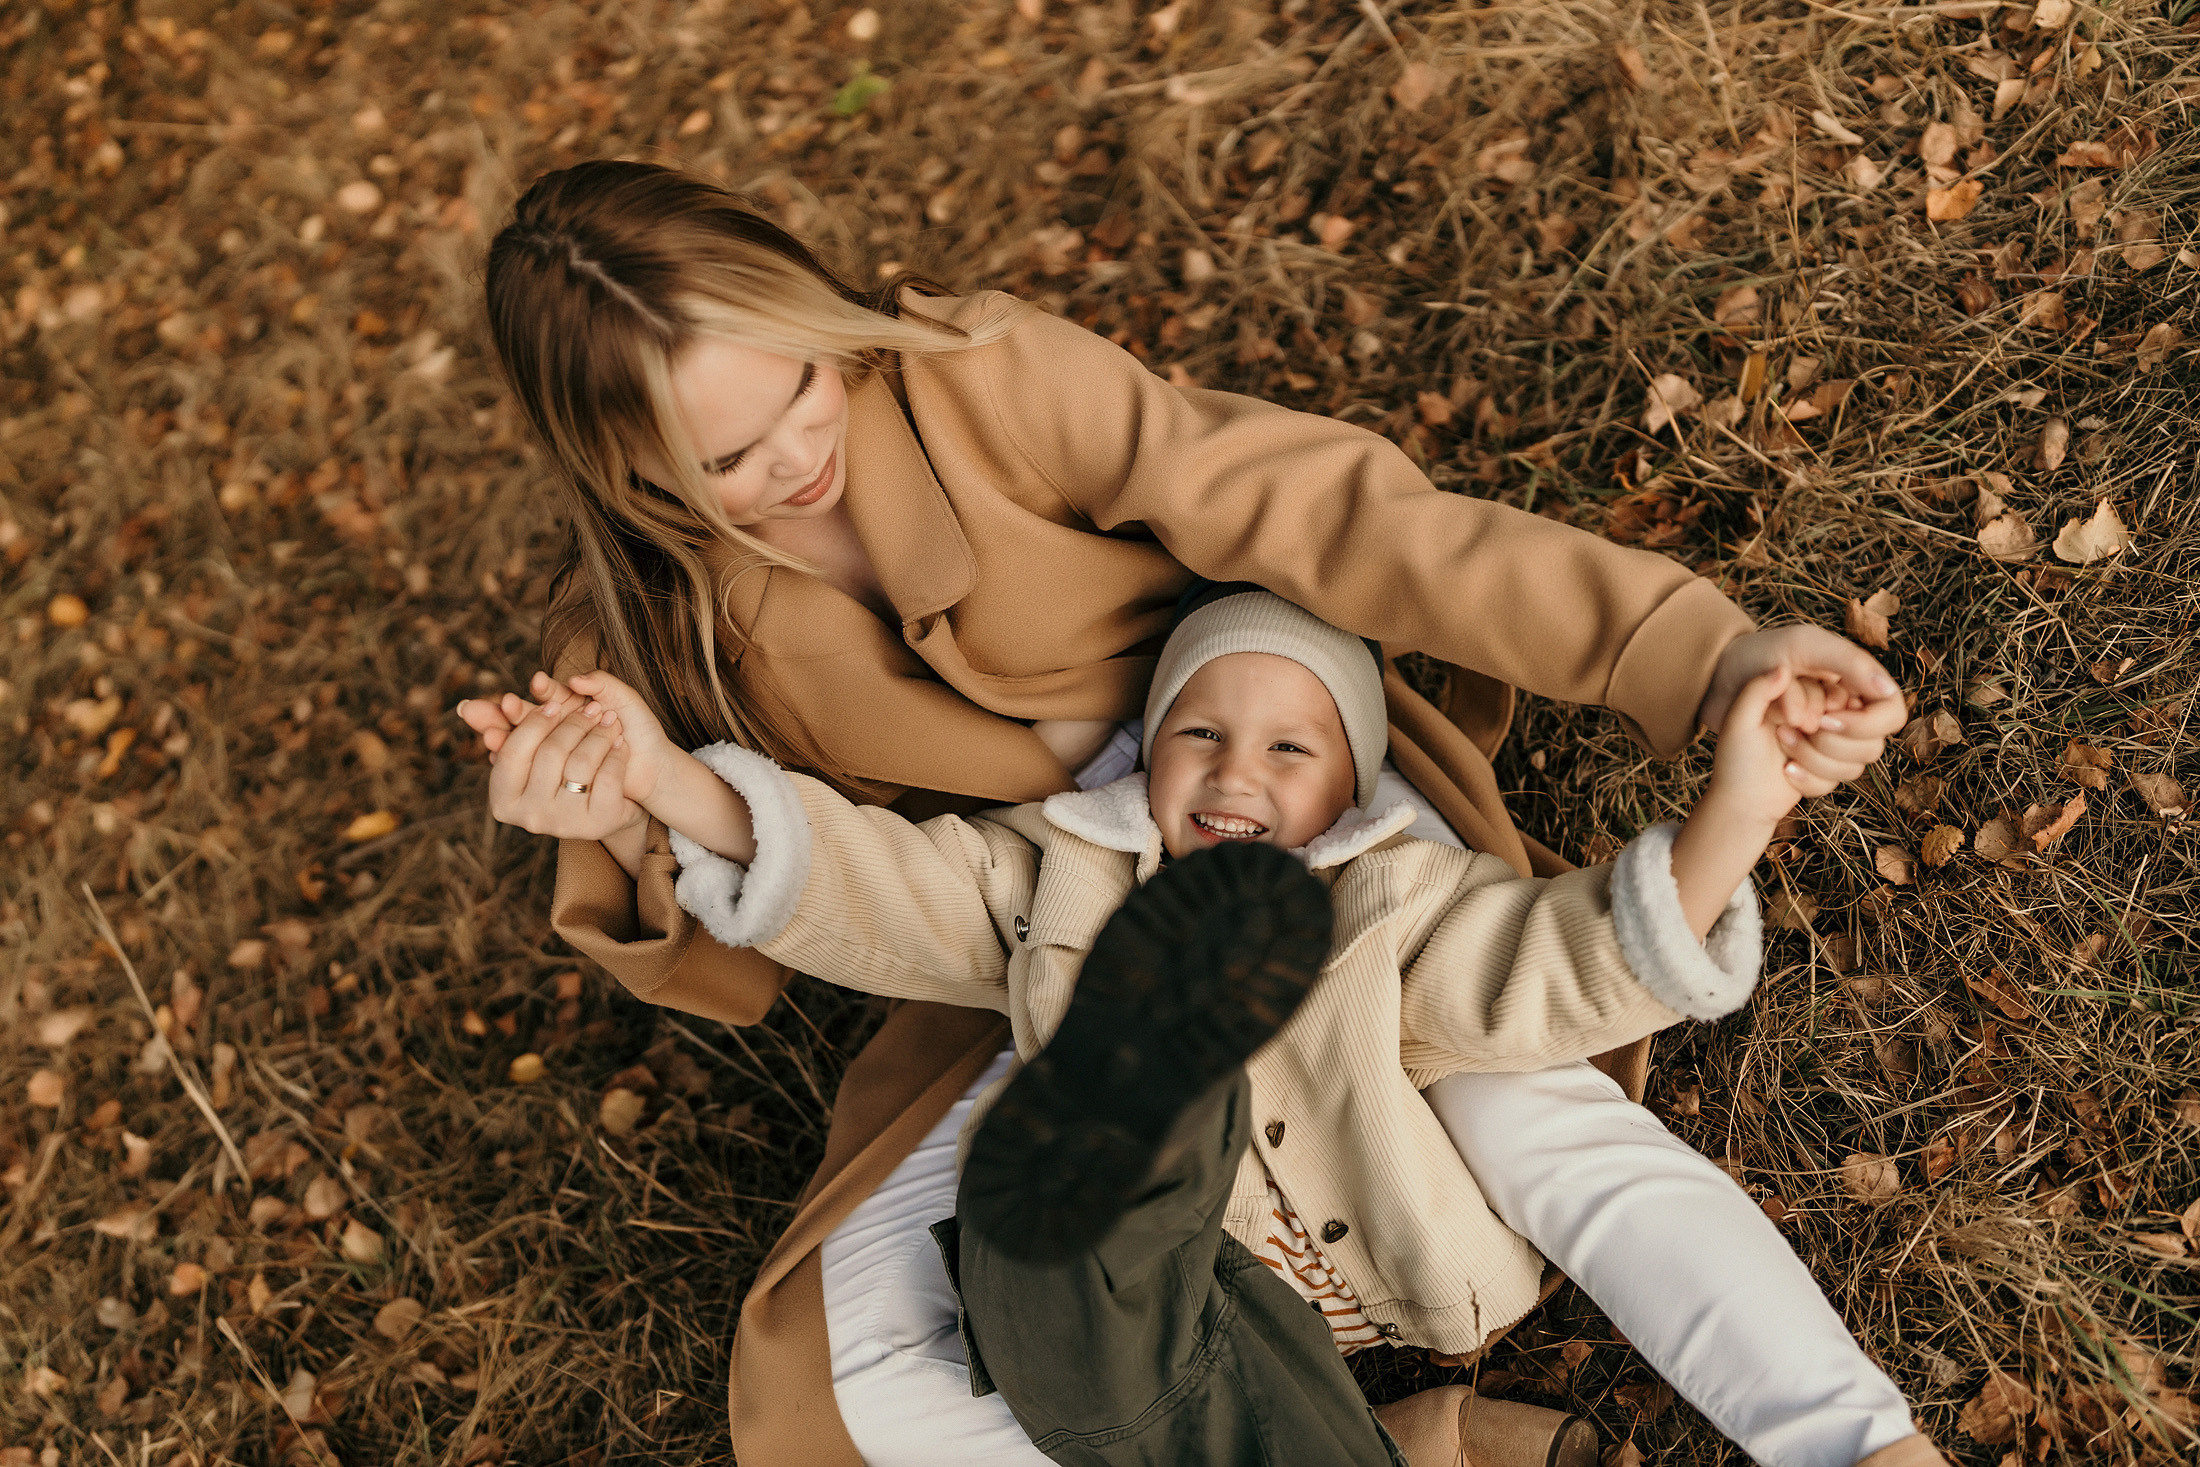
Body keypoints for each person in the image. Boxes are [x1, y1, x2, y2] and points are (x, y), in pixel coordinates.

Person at [457, 160, 1913, 1464]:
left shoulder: (985, 379)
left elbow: (1342, 522)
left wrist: (1696, 656)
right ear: (623, 468)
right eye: (727, 462)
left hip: (1291, 816)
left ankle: (1854, 1448)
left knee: (1538, 1121)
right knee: (849, 1385)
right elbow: (764, 944)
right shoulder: (644, 642)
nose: (794, 459)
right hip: (1034, 944)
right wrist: (629, 808)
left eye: (803, 386)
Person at [474, 585, 1945, 1467]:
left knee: (1127, 1329)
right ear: (1145, 766)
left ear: (1348, 796)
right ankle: (1119, 1111)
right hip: (1171, 1314)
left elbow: (1554, 960)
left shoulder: (1392, 906)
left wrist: (1740, 810)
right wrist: (666, 792)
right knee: (1040, 1286)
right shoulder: (1059, 881)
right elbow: (889, 887)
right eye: (1200, 735)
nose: (1237, 770)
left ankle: (1137, 1101)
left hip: (1381, 1269)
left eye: (1290, 748)